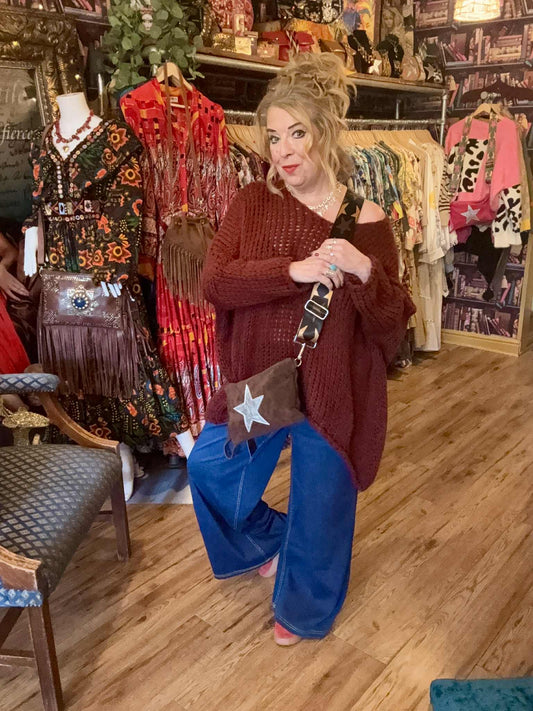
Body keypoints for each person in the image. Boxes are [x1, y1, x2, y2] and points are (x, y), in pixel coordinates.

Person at [187, 53, 416, 646]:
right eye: (273, 137)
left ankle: (305, 607)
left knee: (322, 503)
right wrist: (293, 270)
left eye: (297, 133)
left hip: (332, 385)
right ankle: (264, 541)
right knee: (209, 467)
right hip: (264, 381)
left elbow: (391, 325)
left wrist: (364, 269)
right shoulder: (250, 203)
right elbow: (216, 283)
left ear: (326, 134)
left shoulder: (366, 218)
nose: (284, 152)